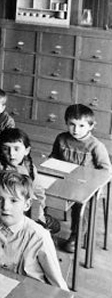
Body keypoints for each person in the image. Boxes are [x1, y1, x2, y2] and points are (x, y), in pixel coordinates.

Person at [0, 171, 68, 292]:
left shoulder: (39, 236)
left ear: (27, 204)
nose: (5, 207)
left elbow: (57, 284)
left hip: (30, 296)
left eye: (13, 200)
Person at [50, 104, 112, 253]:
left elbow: (106, 170)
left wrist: (91, 182)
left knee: (81, 207)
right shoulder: (61, 138)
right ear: (66, 123)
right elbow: (54, 157)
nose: (76, 130)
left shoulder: (96, 146)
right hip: (64, 181)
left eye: (81, 125)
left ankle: (78, 235)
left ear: (91, 126)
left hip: (86, 187)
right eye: (72, 124)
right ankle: (45, 227)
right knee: (43, 193)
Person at [0, 128, 59, 234]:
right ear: (1, 150)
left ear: (26, 151)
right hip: (14, 212)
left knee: (54, 226)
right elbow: (13, 199)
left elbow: (38, 189)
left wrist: (41, 208)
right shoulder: (2, 170)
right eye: (6, 149)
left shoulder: (29, 165)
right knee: (43, 230)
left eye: (16, 149)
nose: (11, 154)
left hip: (32, 207)